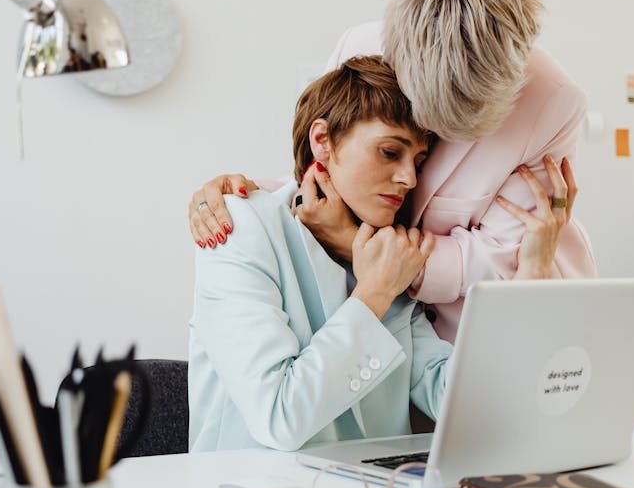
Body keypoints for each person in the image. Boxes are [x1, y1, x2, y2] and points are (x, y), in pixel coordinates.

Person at [187, 0, 595, 342]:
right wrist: (243, 193)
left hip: (482, 323)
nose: (411, 176)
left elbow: (505, 258)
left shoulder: (554, 99)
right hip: (384, 326)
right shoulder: (362, 47)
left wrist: (357, 247)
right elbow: (329, 176)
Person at [189, 56, 577, 452]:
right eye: (390, 152)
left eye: (419, 162)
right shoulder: (243, 227)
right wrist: (374, 292)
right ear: (322, 141)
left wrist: (532, 272)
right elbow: (280, 419)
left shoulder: (386, 249)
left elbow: (469, 404)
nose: (409, 178)